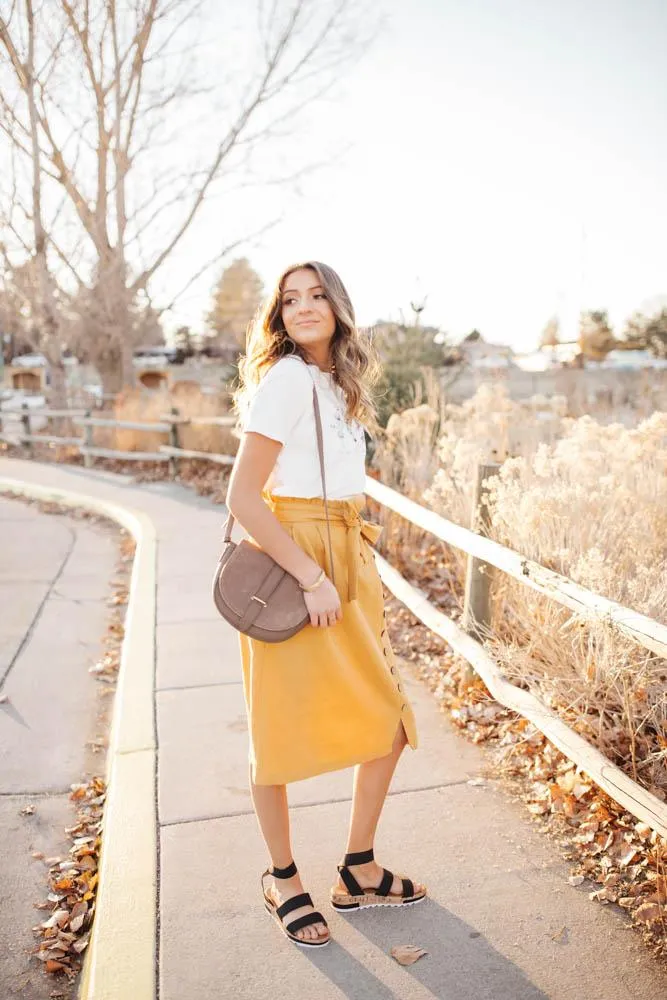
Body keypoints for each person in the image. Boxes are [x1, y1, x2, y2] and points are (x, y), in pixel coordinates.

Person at [226, 260, 426, 949]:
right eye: (289, 300)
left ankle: (358, 867)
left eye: (315, 296)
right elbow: (242, 498)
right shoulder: (283, 381)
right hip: (297, 563)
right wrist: (311, 577)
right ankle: (283, 877)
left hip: (348, 553)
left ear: (338, 308)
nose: (303, 307)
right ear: (277, 317)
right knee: (277, 730)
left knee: (389, 721)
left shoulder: (335, 384)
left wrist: (342, 569)